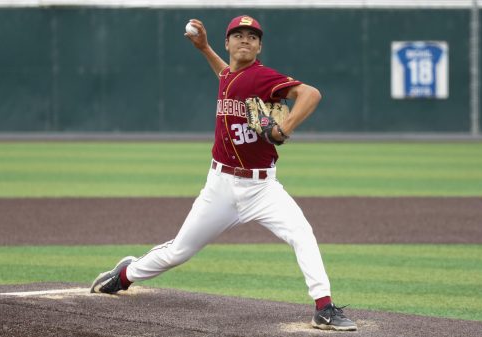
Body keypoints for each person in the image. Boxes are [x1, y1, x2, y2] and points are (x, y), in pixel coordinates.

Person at [90, 15, 357, 331]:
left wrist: (284, 127)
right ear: (228, 42)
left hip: (263, 188)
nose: (246, 39)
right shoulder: (230, 76)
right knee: (178, 252)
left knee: (301, 233)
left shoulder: (263, 78)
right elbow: (226, 75)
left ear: (259, 46)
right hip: (220, 186)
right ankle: (123, 275)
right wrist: (204, 48)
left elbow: (310, 94)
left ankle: (324, 308)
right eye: (239, 35)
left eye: (252, 36)